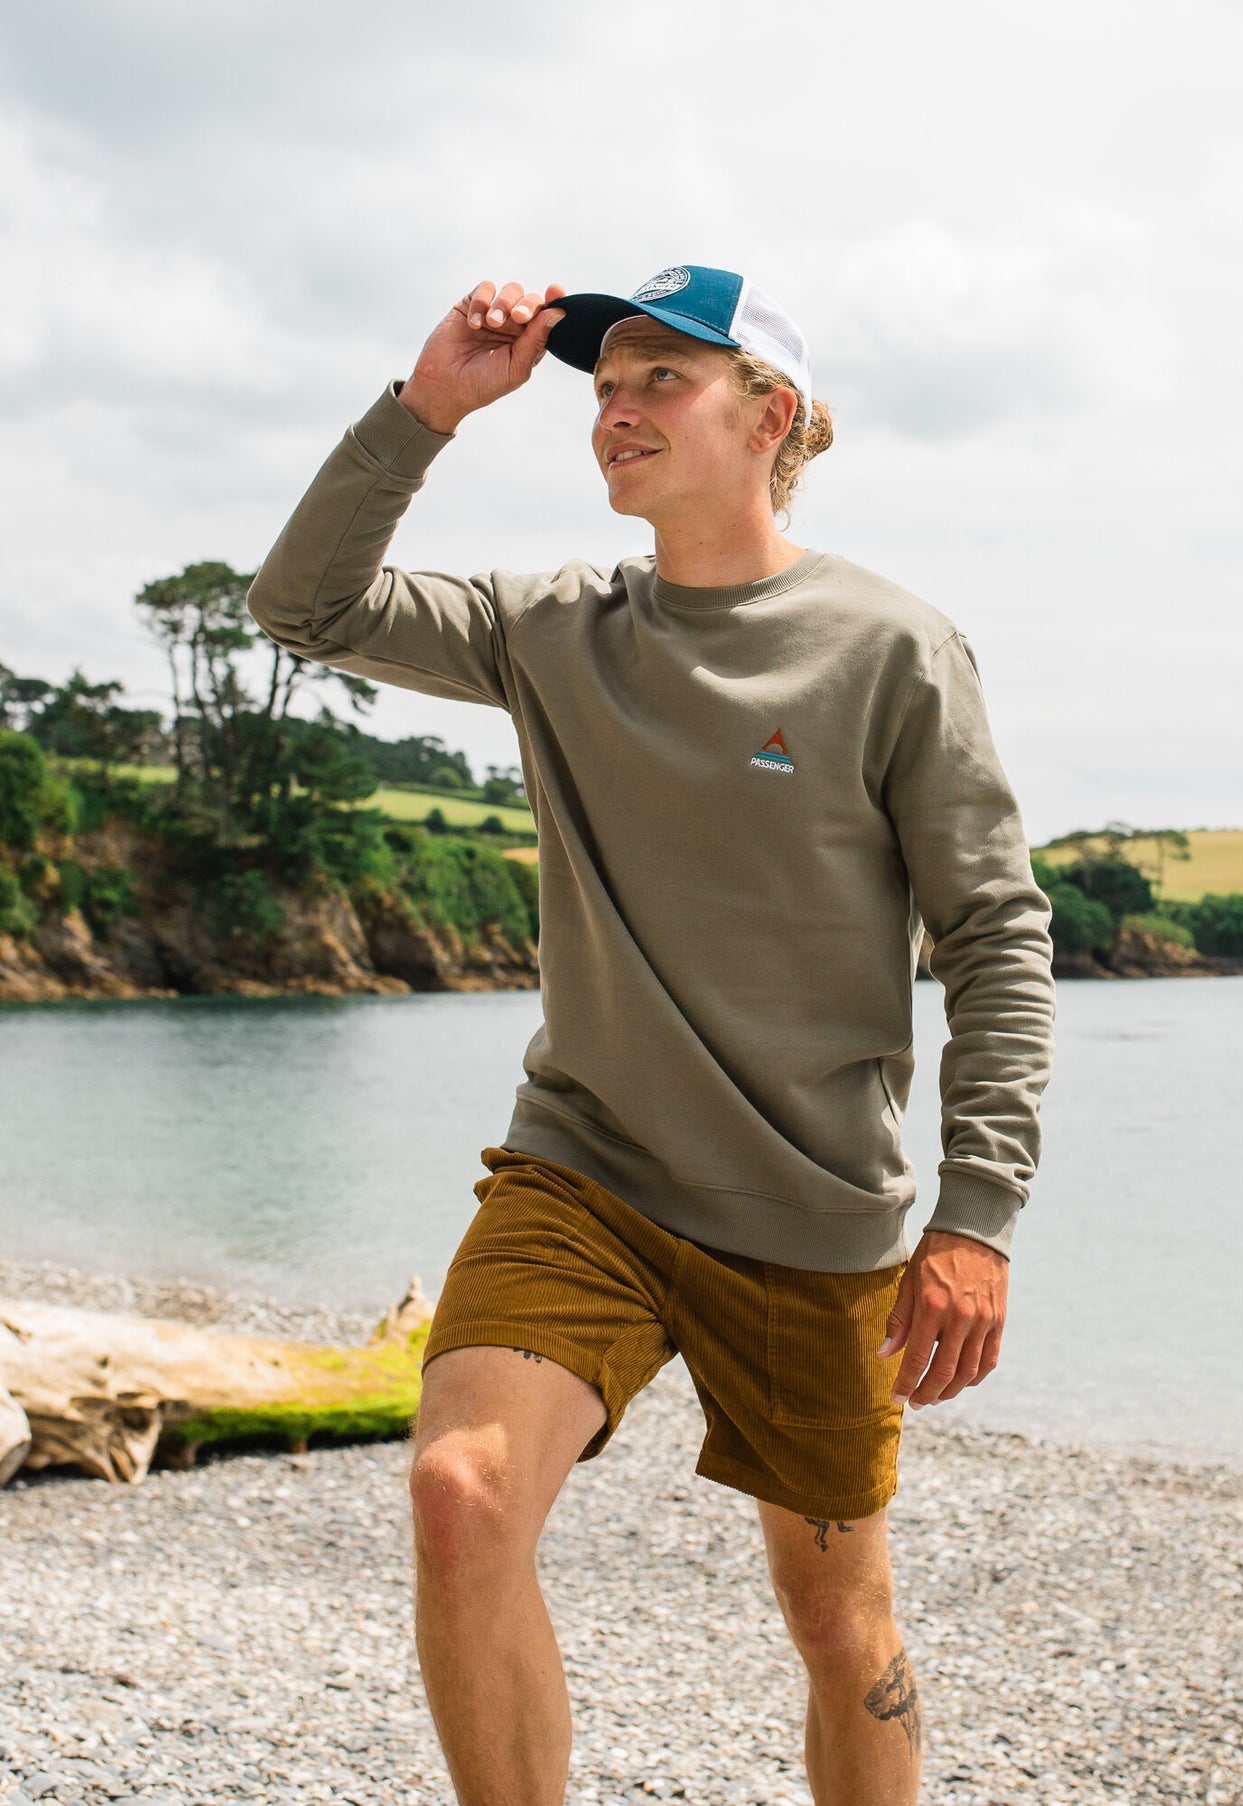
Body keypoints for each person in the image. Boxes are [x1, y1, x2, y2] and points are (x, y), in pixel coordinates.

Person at [247, 264, 1055, 1806]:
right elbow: (304, 607)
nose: (615, 408)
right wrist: (428, 408)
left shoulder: (891, 648)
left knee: (836, 1615)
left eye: (659, 379)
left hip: (810, 1212)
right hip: (587, 1172)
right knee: (460, 1493)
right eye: (603, 384)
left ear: (770, 417)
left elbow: (995, 937)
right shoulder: (553, 626)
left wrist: (976, 1213)